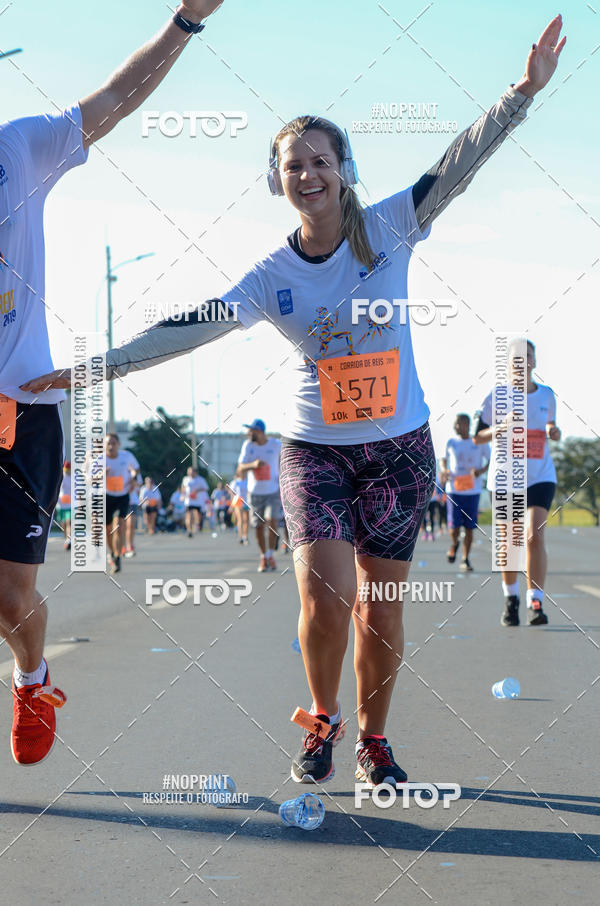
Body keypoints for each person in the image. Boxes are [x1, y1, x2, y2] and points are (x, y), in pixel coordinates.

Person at [24, 16, 566, 783]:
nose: (306, 173)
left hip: (400, 450)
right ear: (277, 181)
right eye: (291, 165)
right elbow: (191, 327)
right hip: (315, 452)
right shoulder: (269, 276)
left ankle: (374, 741)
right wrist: (99, 367)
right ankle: (323, 720)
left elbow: (462, 160)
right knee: (326, 596)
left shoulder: (393, 225)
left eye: (319, 160)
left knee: (382, 609)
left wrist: (522, 94)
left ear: (343, 168)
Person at [0, 0, 223, 765]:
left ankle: (32, 677)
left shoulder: (19, 149)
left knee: (9, 598)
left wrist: (186, 22)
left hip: (22, 411)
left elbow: (115, 102)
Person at [475, 340, 560, 626]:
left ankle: (535, 602)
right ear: (509, 365)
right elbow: (477, 436)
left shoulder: (547, 395)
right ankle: (510, 598)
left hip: (540, 475)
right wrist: (502, 426)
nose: (523, 364)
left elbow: (548, 424)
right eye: (517, 360)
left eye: (528, 358)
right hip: (505, 477)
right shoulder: (497, 396)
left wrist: (552, 430)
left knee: (534, 536)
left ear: (535, 362)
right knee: (510, 542)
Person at [440, 414, 490, 571]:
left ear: (467, 424)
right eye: (455, 424)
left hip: (472, 491)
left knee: (469, 527)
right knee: (454, 527)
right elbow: (443, 459)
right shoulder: (451, 442)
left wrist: (481, 470)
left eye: (458, 424)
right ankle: (454, 543)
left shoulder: (479, 442)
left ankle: (465, 558)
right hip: (454, 490)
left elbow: (491, 459)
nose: (455, 427)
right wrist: (444, 470)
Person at [237, 420, 282, 572]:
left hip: (273, 491)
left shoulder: (276, 444)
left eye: (252, 431)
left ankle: (270, 554)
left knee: (272, 521)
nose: (249, 433)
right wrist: (253, 465)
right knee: (258, 527)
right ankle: (263, 556)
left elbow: (285, 462)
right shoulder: (248, 446)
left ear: (260, 432)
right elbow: (241, 467)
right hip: (254, 493)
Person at [104, 434, 140, 573]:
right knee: (107, 530)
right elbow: (91, 478)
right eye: (108, 443)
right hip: (106, 496)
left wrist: (133, 479)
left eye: (113, 443)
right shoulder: (101, 459)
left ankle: (118, 557)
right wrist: (102, 474)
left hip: (123, 496)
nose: (111, 446)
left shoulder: (127, 456)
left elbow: (136, 469)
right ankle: (112, 552)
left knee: (118, 526)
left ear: (119, 444)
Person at [182, 466, 209, 537]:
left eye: (191, 472)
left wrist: (197, 491)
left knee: (198, 517)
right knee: (189, 516)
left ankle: (195, 525)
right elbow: (183, 487)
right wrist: (183, 495)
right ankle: (189, 531)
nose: (189, 473)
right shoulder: (185, 479)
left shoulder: (201, 479)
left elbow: (206, 488)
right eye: (189, 472)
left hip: (198, 501)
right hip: (189, 501)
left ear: (195, 472)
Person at [228, 470, 249, 544]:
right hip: (238, 502)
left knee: (246, 520)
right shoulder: (236, 482)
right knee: (240, 519)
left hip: (247, 502)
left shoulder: (248, 481)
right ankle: (240, 536)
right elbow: (231, 492)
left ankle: (245, 536)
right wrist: (231, 504)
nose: (244, 474)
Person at [125, 474, 142, 558]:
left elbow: (138, 487)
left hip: (133, 502)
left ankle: (130, 545)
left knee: (131, 525)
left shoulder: (134, 471)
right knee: (122, 527)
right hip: (122, 502)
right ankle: (122, 546)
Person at [56, 461, 72, 551]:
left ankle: (69, 539)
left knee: (69, 521)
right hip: (61, 504)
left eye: (68, 470)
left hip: (70, 504)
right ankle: (66, 538)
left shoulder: (74, 477)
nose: (67, 471)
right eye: (65, 469)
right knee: (63, 523)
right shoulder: (60, 477)